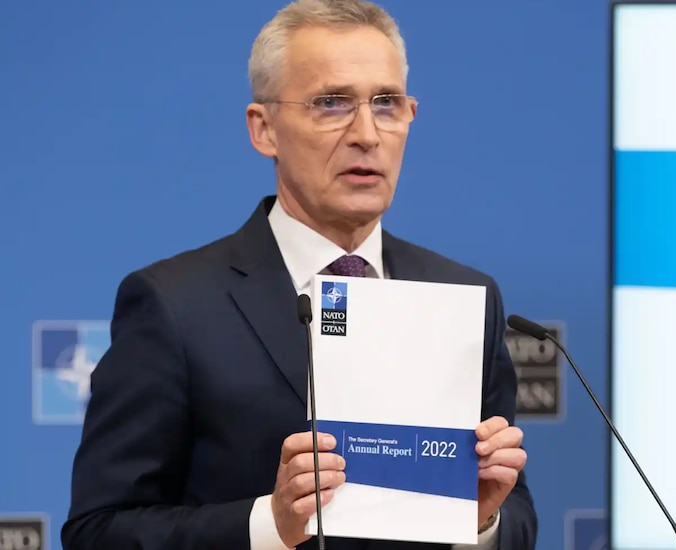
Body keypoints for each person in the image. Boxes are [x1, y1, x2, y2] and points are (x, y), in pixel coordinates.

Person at [61, 0, 538, 549]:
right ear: (264, 129)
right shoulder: (174, 306)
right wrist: (271, 526)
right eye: (331, 103)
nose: (367, 134)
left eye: (386, 104)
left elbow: (515, 508)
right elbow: (98, 532)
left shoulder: (465, 297)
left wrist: (479, 522)